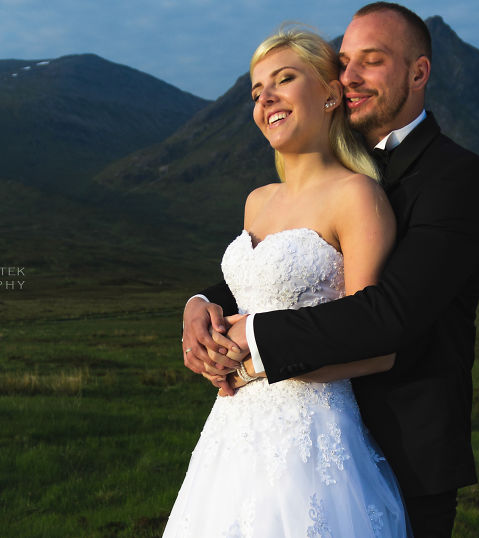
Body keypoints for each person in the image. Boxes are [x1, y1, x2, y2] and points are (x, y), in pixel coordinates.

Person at [183, 3, 479, 536]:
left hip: (401, 448)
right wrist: (203, 304)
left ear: (418, 73)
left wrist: (250, 343)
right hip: (261, 436)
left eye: (370, 62)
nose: (349, 77)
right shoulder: (320, 175)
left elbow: (391, 313)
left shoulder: (456, 177)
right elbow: (287, 265)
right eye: (344, 61)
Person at [163, 27, 412, 537]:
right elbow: (246, 288)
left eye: (283, 79)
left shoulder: (357, 196)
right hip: (230, 436)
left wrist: (252, 366)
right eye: (257, 92)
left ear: (328, 91)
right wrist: (198, 305)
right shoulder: (257, 200)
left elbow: (376, 344)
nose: (266, 99)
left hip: (312, 438)